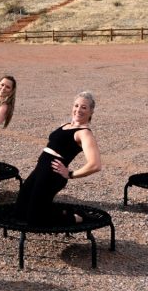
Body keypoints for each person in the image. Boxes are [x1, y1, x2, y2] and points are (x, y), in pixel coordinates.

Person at [13, 91, 101, 225]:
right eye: (76, 105)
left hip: (53, 175)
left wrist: (70, 174)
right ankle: (64, 211)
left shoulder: (84, 133)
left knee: (34, 219)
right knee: (20, 211)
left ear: (91, 112)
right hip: (40, 170)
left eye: (84, 107)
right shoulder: (66, 125)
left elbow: (95, 165)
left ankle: (77, 217)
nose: (78, 110)